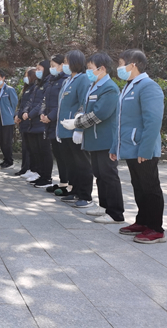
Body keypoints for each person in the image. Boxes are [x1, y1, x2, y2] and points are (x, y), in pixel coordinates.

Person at [61, 52, 124, 223]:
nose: (88, 71)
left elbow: (100, 113)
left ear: (101, 69)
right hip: (94, 139)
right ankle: (104, 207)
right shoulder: (93, 85)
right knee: (99, 174)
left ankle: (115, 213)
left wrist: (77, 123)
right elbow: (84, 106)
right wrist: (77, 117)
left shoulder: (110, 88)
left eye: (90, 68)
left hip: (105, 139)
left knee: (108, 175)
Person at [110, 49, 166, 243]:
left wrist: (146, 149)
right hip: (131, 146)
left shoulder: (148, 87)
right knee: (139, 186)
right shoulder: (128, 87)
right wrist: (114, 147)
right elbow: (120, 122)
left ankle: (156, 228)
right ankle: (142, 221)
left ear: (132, 65)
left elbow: (153, 121)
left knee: (150, 187)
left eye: (121, 63)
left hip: (143, 148)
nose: (119, 68)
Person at [55, 50, 95, 208]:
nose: (64, 65)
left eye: (66, 62)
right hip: (64, 128)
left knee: (82, 162)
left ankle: (85, 195)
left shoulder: (83, 79)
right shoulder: (67, 80)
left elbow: (84, 104)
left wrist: (79, 127)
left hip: (75, 128)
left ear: (75, 62)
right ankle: (75, 191)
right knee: (71, 162)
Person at [40, 54, 69, 195]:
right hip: (49, 122)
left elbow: (62, 103)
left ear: (62, 66)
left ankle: (67, 183)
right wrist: (42, 114)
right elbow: (44, 100)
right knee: (57, 153)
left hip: (59, 122)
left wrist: (50, 117)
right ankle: (63, 182)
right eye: (50, 66)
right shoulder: (50, 80)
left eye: (53, 66)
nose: (51, 69)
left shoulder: (65, 80)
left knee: (64, 154)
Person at [22, 60, 54, 188]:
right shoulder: (37, 84)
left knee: (44, 151)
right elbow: (30, 102)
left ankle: (47, 177)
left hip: (40, 123)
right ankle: (40, 174)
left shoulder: (48, 83)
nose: (37, 71)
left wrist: (30, 114)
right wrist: (25, 111)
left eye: (39, 69)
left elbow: (42, 103)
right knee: (36, 150)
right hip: (32, 123)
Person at [0, 69, 18, 169]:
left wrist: (11, 113)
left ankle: (10, 161)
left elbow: (14, 103)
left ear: (3, 78)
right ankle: (5, 160)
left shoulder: (9, 89)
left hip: (7, 118)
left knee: (7, 141)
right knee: (2, 141)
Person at [14, 68, 36, 177]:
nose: (25, 78)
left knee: (30, 148)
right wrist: (17, 115)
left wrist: (21, 115)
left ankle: (28, 168)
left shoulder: (34, 88)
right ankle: (24, 168)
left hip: (28, 121)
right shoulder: (26, 89)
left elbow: (29, 105)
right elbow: (21, 104)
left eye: (27, 75)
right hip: (22, 120)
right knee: (25, 147)